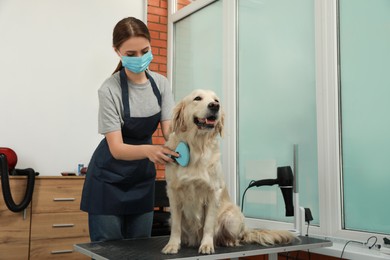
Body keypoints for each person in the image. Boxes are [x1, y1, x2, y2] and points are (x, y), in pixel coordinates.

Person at [80, 17, 178, 242]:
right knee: (110, 252)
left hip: (141, 180)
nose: (140, 58)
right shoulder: (109, 90)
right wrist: (150, 151)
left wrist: (191, 139)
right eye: (131, 54)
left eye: (145, 51)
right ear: (117, 52)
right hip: (107, 181)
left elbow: (169, 132)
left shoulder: (161, 84)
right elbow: (116, 148)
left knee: (140, 250)